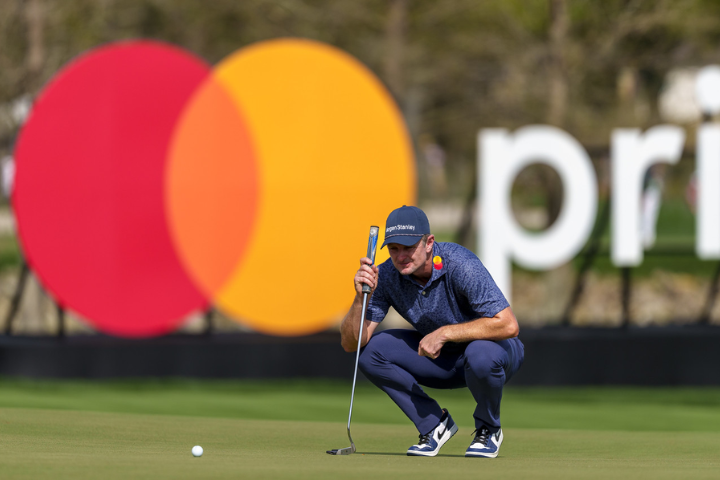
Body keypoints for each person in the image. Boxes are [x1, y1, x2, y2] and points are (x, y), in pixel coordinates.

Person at [340, 205, 524, 458]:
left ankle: (489, 428)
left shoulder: (460, 263)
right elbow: (352, 343)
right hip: (441, 361)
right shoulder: (385, 276)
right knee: (369, 352)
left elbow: (508, 325)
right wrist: (360, 298)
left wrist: (445, 333)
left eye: (409, 247)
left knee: (480, 353)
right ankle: (434, 424)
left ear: (428, 243)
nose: (401, 256)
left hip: (495, 353)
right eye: (394, 249)